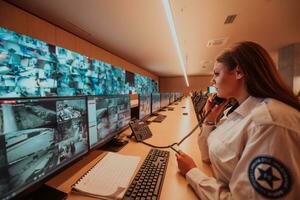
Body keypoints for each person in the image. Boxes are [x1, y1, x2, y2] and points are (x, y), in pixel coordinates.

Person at [176, 41, 300, 199]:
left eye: (216, 73)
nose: (212, 81)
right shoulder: (237, 111)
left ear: (239, 72)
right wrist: (209, 120)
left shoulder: (268, 123)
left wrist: (192, 173)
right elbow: (207, 157)